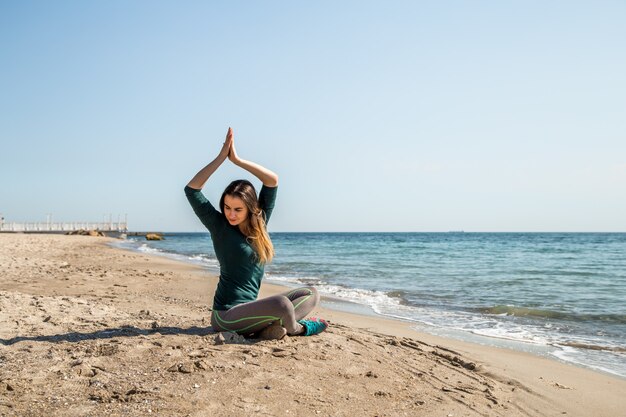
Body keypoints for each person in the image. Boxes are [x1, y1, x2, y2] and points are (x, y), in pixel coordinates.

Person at [185, 127, 328, 340]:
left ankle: (269, 328)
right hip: (226, 315)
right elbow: (192, 190)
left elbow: (272, 180)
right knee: (281, 304)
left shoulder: (260, 223)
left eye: (237, 209)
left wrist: (238, 160)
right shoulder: (219, 226)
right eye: (226, 207)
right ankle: (297, 328)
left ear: (251, 208)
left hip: (252, 311)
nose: (230, 214)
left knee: (310, 294)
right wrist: (221, 158)